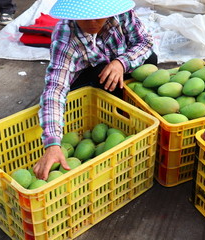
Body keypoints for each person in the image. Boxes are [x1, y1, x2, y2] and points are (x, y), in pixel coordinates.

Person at [33, 0, 157, 180]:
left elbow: (145, 41)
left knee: (150, 59)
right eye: (84, 17)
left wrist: (121, 63)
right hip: (90, 76)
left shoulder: (121, 13)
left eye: (98, 16)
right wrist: (52, 144)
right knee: (101, 75)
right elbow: (55, 89)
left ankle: (127, 100)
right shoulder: (65, 37)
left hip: (119, 65)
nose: (92, 23)